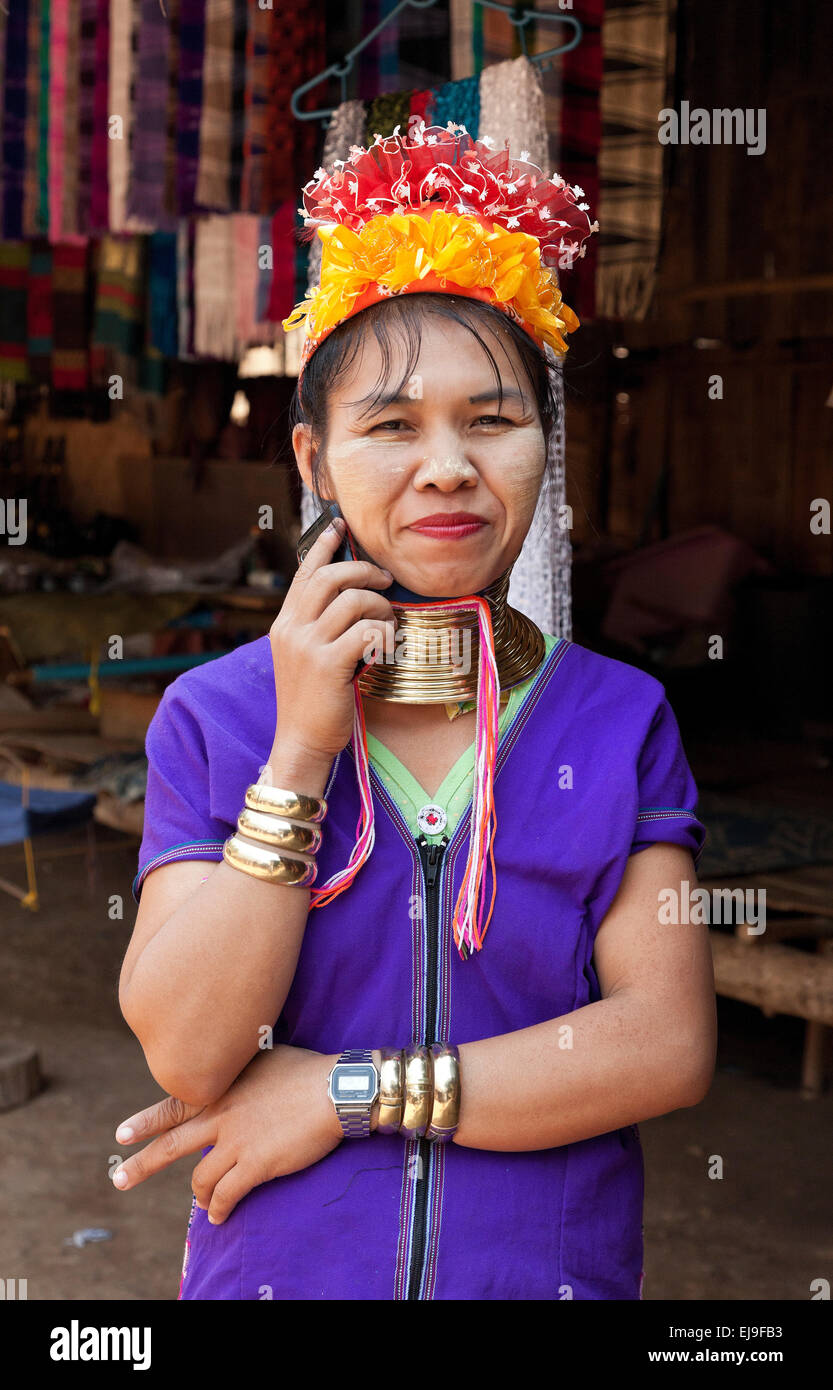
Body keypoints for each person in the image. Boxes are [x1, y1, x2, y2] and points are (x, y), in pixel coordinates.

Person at [115, 122, 716, 1301]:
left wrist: (341, 1092)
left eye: (490, 419)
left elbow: (663, 1044)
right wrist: (299, 745)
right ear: (314, 458)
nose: (446, 466)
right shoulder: (215, 716)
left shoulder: (618, 719)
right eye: (391, 426)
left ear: (543, 447)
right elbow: (188, 1050)